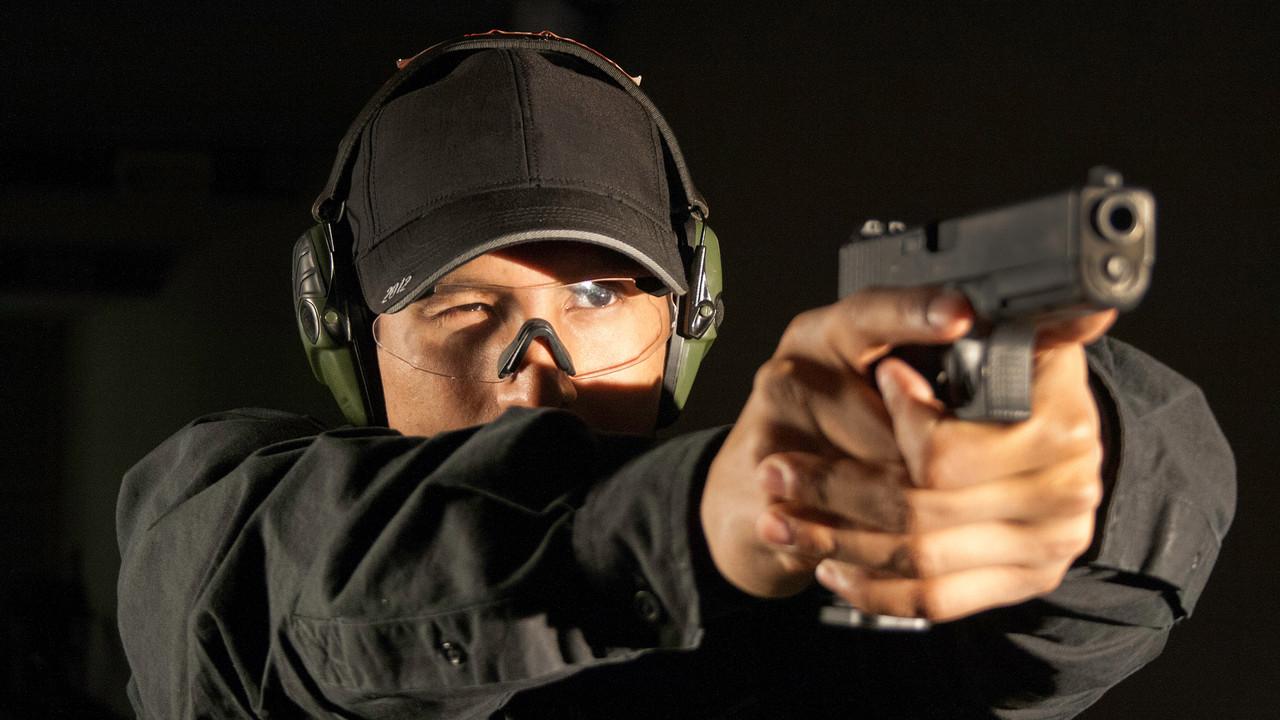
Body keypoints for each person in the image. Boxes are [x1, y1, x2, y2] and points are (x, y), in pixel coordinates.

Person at [116, 32, 1234, 719]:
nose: (534, 380)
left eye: (599, 300)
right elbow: (274, 598)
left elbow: (1066, 631)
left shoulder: (811, 584)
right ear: (346, 338)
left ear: (684, 324)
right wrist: (694, 526)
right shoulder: (227, 531)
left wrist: (1077, 460)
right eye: (462, 310)